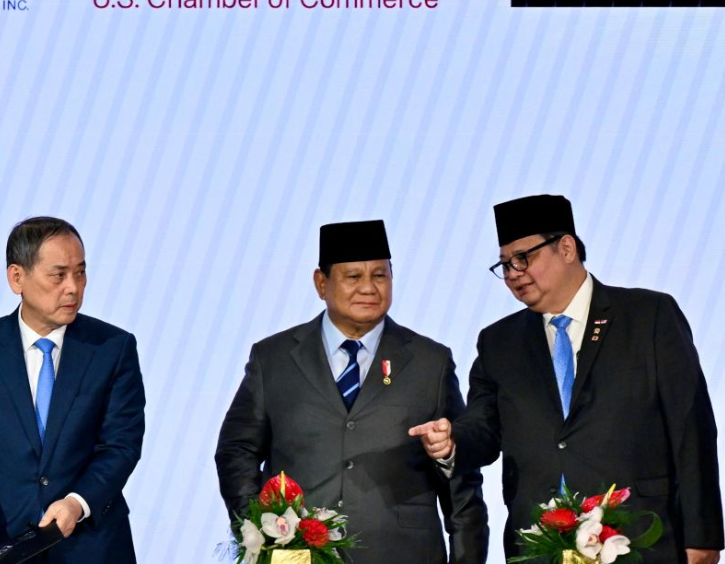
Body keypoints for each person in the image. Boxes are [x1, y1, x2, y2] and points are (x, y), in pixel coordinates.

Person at [410, 194, 724, 564]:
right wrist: (451, 442)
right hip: (539, 545)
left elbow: (691, 430)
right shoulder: (499, 342)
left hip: (638, 538)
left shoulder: (648, 316)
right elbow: (484, 429)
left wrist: (703, 536)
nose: (513, 273)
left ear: (567, 248)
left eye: (523, 258)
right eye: (505, 265)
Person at [215, 220, 489, 564]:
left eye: (380, 275)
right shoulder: (273, 359)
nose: (369, 288)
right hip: (298, 557)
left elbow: (460, 476)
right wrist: (261, 531)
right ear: (321, 283)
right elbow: (237, 450)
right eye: (353, 277)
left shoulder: (430, 362)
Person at [0, 217, 145, 564]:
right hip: (3, 545)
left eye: (80, 273)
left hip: (93, 548)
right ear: (16, 277)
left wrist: (77, 502)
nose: (73, 288)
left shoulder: (112, 348)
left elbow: (121, 445)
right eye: (58, 275)